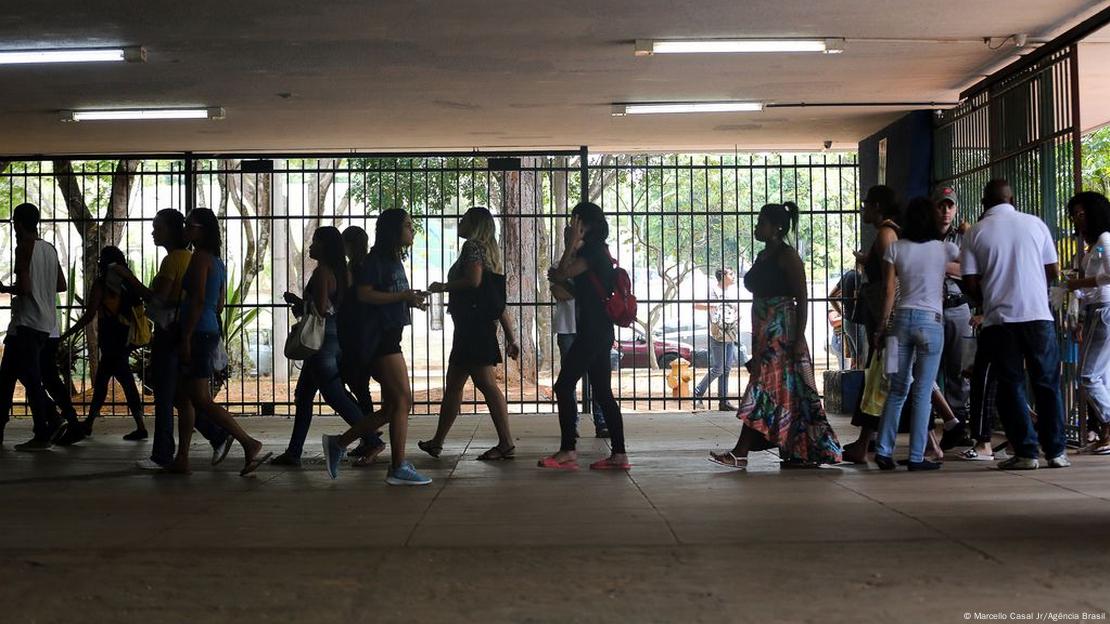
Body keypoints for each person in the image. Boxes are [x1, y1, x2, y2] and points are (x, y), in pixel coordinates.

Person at [708, 201, 841, 469]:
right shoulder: (763, 256)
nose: (757, 227)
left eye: (761, 223)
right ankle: (796, 449)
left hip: (782, 332)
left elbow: (801, 297)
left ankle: (741, 452)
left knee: (762, 387)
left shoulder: (787, 256)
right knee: (786, 393)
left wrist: (798, 335)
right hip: (764, 331)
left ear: (776, 227)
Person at [961, 179, 1068, 470]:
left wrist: (994, 295)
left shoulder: (975, 233)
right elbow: (1053, 271)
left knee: (1011, 386)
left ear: (984, 204)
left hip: (1000, 321)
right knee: (1047, 384)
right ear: (1013, 199)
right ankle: (1057, 452)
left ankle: (1026, 452)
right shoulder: (1036, 224)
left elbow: (969, 282)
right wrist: (1029, 290)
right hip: (1039, 318)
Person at [321, 208, 433, 485]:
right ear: (393, 230)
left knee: (393, 406)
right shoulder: (376, 260)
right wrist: (403, 295)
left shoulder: (394, 260)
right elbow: (365, 294)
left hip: (391, 334)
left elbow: (390, 294)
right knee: (403, 400)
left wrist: (409, 300)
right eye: (407, 225)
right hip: (380, 338)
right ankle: (397, 466)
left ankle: (340, 443)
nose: (412, 230)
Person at [117, 209, 231, 470]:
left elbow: (160, 298)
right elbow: (215, 302)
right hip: (191, 330)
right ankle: (212, 437)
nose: (154, 232)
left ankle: (165, 454)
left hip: (173, 333)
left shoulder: (176, 261)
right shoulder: (197, 259)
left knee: (170, 396)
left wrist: (128, 278)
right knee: (183, 396)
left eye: (158, 227)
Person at [271, 227, 380, 467]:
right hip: (335, 336)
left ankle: (371, 438)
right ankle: (294, 451)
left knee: (335, 396)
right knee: (304, 395)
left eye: (315, 242)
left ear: (325, 247)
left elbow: (320, 309)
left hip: (321, 343)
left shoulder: (322, 273)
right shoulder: (344, 273)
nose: (310, 246)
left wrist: (300, 306)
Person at [172, 208, 270, 475]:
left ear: (201, 230)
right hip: (209, 329)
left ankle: (248, 442)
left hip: (199, 331)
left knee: (201, 399)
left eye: (189, 225)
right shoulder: (217, 262)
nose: (185, 230)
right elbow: (218, 303)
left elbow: (199, 300)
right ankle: (182, 458)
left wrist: (187, 336)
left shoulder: (200, 259)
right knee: (184, 397)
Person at [420, 207, 521, 460]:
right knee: (454, 385)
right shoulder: (490, 253)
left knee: (486, 384)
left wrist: (442, 286)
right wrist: (511, 338)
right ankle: (437, 441)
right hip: (475, 328)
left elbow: (474, 281)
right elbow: (497, 303)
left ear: (474, 224)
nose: (459, 222)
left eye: (464, 219)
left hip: (472, 330)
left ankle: (506, 443)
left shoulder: (472, 248)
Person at [871, 197, 958, 471]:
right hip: (931, 324)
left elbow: (888, 292)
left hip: (899, 324)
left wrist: (881, 328)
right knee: (922, 390)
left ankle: (884, 451)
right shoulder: (943, 249)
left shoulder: (895, 249)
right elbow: (971, 263)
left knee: (896, 388)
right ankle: (918, 456)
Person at [541, 201, 627, 470]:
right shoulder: (597, 251)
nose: (571, 225)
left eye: (575, 221)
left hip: (592, 332)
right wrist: (560, 276)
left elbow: (564, 272)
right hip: (598, 330)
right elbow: (575, 286)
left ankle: (568, 450)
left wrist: (570, 244)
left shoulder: (590, 251)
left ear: (585, 224)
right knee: (602, 392)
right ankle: (619, 455)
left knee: (563, 386)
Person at [60, 246, 148, 441]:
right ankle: (91, 423)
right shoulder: (127, 283)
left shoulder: (102, 285)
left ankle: (135, 426)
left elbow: (89, 315)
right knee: (107, 381)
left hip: (110, 340)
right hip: (125, 339)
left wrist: (67, 334)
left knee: (113, 382)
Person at [842, 185, 902, 464]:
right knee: (883, 378)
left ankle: (943, 429)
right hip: (885, 317)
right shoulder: (887, 234)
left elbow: (890, 282)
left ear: (877, 206)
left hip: (886, 319)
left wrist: (883, 323)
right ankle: (868, 440)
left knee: (885, 379)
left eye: (866, 204)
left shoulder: (886, 234)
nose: (863, 209)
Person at [0, 203, 67, 450]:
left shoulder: (23, 248)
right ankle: (49, 420)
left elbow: (25, 288)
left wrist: (5, 289)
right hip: (44, 324)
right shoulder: (49, 249)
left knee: (26, 377)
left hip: (26, 323)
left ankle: (45, 428)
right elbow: (61, 285)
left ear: (18, 223)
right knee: (12, 375)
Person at [550, 230, 610, 438]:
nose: (572, 241)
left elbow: (568, 291)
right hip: (568, 329)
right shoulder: (559, 265)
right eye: (568, 238)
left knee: (596, 380)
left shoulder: (591, 261)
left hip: (589, 328)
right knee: (569, 381)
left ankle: (601, 422)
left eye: (574, 237)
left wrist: (570, 287)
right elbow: (559, 292)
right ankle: (572, 423)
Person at [336, 225, 386, 464]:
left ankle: (369, 432)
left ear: (350, 245)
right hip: (365, 334)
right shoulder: (367, 265)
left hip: (353, 334)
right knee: (359, 386)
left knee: (347, 386)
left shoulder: (354, 268)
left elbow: (346, 299)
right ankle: (368, 433)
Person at [1065, 191, 1110, 453]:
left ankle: (1108, 422)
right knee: (1102, 374)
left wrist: (1078, 283)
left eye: (1081, 213)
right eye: (1074, 214)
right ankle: (1105, 432)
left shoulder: (1104, 239)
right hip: (1094, 309)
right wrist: (1079, 314)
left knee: (1087, 374)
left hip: (1103, 309)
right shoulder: (1096, 245)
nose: (1077, 219)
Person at [934, 187, 975, 451]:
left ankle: (958, 423)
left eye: (950, 206)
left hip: (959, 307)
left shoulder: (965, 236)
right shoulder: (923, 235)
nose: (946, 211)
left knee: (960, 370)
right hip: (933, 309)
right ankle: (941, 422)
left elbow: (972, 269)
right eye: (941, 206)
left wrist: (938, 264)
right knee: (927, 370)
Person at [693, 268, 740, 411]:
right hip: (717, 333)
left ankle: (723, 401)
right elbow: (696, 305)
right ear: (723, 276)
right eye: (731, 274)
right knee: (718, 368)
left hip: (730, 333)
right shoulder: (713, 291)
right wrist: (715, 305)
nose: (733, 276)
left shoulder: (730, 292)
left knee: (726, 368)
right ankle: (698, 392)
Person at [828, 269, 867, 368]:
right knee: (861, 357)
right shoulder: (858, 277)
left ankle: (853, 381)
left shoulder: (847, 275)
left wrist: (842, 313)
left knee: (855, 358)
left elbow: (831, 296)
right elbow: (858, 298)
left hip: (847, 322)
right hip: (857, 322)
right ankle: (860, 382)